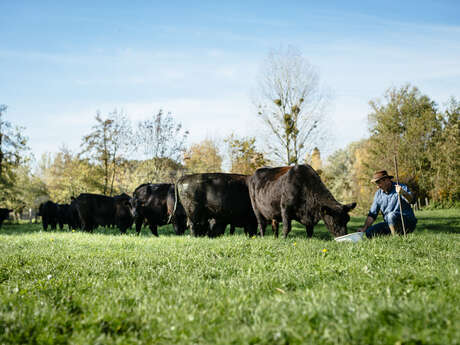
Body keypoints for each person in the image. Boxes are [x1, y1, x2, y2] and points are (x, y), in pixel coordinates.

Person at [358, 170, 417, 238]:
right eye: (376, 184)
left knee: (391, 216)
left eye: (378, 183)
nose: (378, 186)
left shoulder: (400, 187)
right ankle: (392, 236)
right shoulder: (378, 194)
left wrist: (403, 193)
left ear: (386, 180)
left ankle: (397, 239)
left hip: (407, 222)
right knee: (369, 232)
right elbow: (372, 215)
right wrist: (364, 228)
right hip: (389, 224)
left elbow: (412, 201)